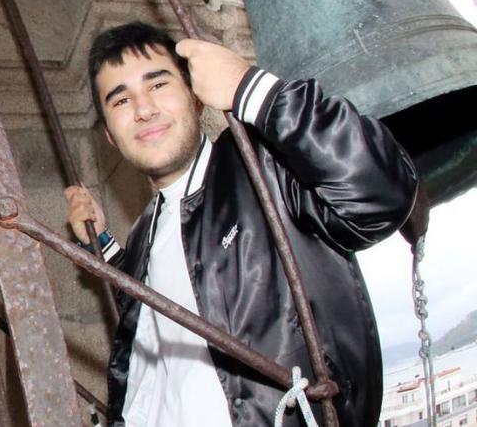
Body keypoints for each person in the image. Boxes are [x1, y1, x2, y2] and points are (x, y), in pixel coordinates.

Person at [65, 21, 417, 426]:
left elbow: (381, 195)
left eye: (158, 85)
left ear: (195, 98)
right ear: (110, 135)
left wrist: (251, 90)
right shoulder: (148, 226)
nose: (144, 109)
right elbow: (160, 306)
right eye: (121, 101)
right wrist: (103, 243)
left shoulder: (264, 165)